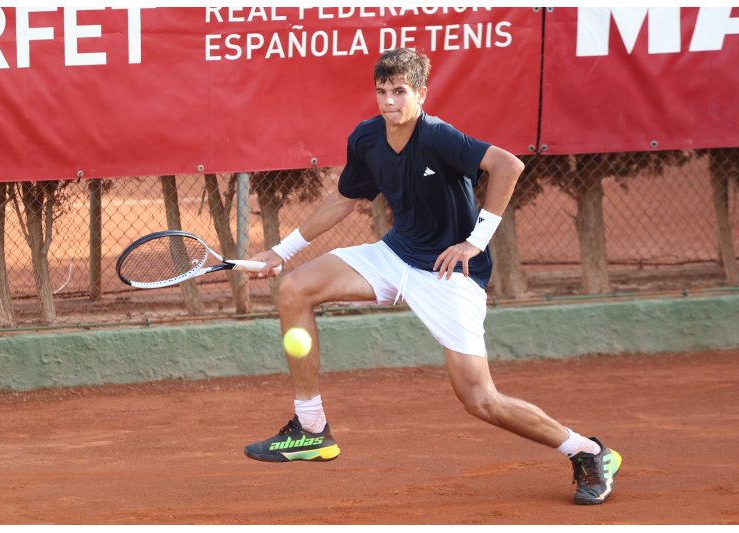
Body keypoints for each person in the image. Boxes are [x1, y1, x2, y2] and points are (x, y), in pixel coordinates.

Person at [246, 48, 621, 505]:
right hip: (396, 255)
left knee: (480, 399)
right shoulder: (367, 138)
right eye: (382, 92)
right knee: (294, 288)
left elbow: (508, 165)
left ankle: (586, 450)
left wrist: (476, 242)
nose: (389, 102)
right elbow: (344, 199)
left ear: (420, 94)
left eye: (400, 92)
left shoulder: (438, 136)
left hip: (449, 274)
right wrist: (279, 252)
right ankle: (311, 427)